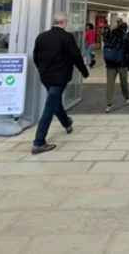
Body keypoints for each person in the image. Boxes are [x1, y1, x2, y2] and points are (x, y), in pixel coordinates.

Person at [31, 12, 89, 155]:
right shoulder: (67, 37)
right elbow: (76, 56)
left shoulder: (42, 36)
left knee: (54, 101)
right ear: (63, 22)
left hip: (45, 77)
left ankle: (66, 123)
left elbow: (35, 56)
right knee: (50, 108)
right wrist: (84, 71)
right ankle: (39, 142)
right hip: (60, 77)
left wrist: (41, 70)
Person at [103, 20, 129, 113]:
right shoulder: (126, 37)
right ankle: (127, 98)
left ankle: (108, 104)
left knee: (110, 84)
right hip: (122, 64)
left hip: (110, 64)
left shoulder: (110, 35)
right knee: (124, 83)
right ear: (125, 28)